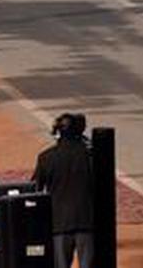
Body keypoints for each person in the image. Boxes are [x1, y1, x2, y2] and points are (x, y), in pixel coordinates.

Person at [32, 113, 94, 268]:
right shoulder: (90, 155)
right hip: (87, 221)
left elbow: (35, 190)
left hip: (59, 223)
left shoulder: (46, 157)